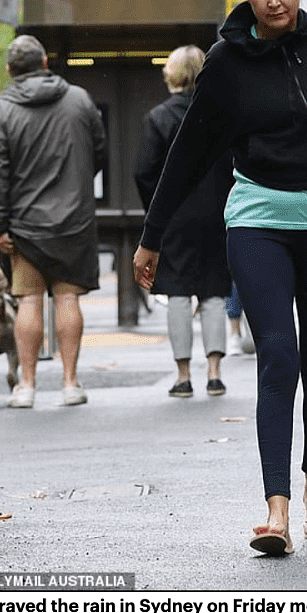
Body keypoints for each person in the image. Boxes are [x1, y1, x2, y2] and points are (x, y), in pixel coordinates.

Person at [132, 0, 307, 557]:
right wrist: (150, 238)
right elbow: (189, 154)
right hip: (258, 217)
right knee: (279, 354)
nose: (276, 1)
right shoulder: (227, 63)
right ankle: (276, 510)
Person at [0, 34, 106, 408]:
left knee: (29, 301)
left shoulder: (1, 111)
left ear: (10, 71)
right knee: (68, 298)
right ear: (46, 63)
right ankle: (70, 383)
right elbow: (98, 152)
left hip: (25, 225)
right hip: (73, 221)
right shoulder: (79, 100)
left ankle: (28, 386)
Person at [134, 45, 234, 398]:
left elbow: (144, 171)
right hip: (216, 215)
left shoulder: (158, 118)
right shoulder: (220, 115)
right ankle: (215, 372)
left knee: (177, 293)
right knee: (213, 294)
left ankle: (182, 375)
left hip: (174, 218)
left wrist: (156, 212)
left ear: (171, 75)